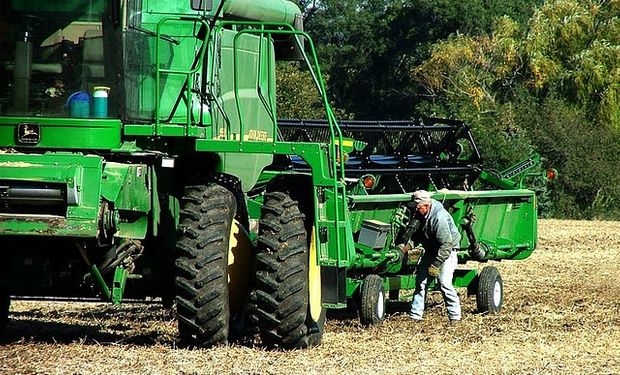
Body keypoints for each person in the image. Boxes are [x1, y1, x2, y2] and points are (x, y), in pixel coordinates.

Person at [404, 190, 461, 323]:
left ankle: (455, 316)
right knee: (421, 282)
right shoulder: (421, 215)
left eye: (418, 207)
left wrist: (436, 264)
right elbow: (418, 236)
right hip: (431, 249)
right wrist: (407, 247)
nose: (416, 210)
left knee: (444, 283)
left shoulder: (438, 218)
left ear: (427, 205)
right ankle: (415, 316)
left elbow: (446, 245)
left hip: (447, 251)